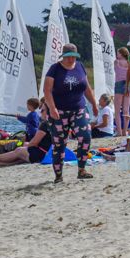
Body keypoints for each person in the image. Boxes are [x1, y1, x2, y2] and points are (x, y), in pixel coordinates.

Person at [43, 43, 97, 183]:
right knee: (60, 143)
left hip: (78, 109)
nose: (71, 59)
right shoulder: (54, 69)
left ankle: (82, 170)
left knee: (85, 137)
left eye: (73, 56)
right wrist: (52, 108)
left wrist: (94, 104)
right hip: (59, 112)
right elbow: (47, 90)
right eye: (68, 57)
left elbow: (87, 88)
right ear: (63, 56)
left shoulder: (80, 66)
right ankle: (59, 176)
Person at [0, 102, 52, 167]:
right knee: (19, 159)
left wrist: (29, 146)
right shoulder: (55, 123)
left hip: (41, 155)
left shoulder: (45, 124)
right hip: (48, 154)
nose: (40, 112)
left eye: (42, 110)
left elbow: (34, 143)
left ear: (48, 112)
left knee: (19, 150)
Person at [113, 47, 130, 135]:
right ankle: (125, 131)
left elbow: (116, 70)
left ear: (121, 54)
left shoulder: (117, 62)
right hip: (128, 85)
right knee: (126, 110)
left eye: (118, 53)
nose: (116, 55)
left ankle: (119, 131)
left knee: (117, 110)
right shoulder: (129, 62)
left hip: (119, 84)